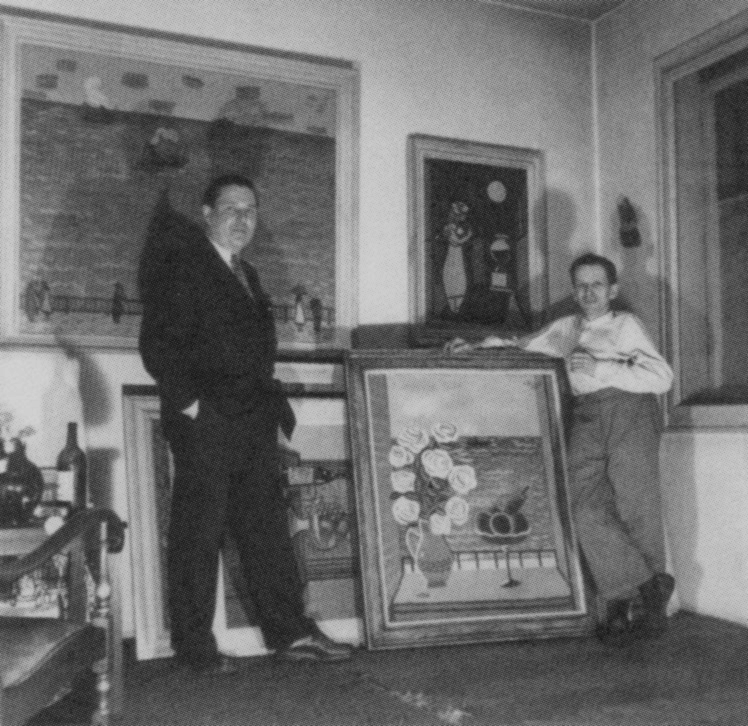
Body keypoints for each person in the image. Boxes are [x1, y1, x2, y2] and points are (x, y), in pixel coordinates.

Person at [138, 174, 352, 674]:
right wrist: (192, 407)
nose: (242, 219)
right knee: (198, 536)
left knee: (266, 532)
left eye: (250, 210)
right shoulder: (182, 268)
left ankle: (291, 633)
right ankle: (194, 648)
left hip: (252, 420)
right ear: (207, 214)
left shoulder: (247, 273)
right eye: (231, 209)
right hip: (208, 423)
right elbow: (158, 346)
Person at [449, 252, 675, 646]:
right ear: (574, 290)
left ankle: (632, 608)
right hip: (587, 414)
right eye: (581, 285)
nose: (588, 292)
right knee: (581, 505)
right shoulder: (567, 327)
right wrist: (473, 347)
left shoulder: (625, 325)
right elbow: (523, 344)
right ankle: (648, 584)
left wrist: (602, 369)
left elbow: (662, 377)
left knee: (636, 505)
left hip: (630, 411)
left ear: (612, 290)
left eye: (597, 285)